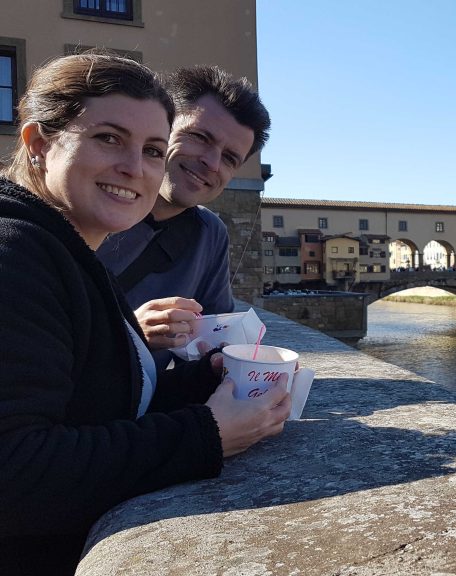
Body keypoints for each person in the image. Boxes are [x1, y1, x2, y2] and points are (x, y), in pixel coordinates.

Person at [0, 53, 289, 575]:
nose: (135, 167)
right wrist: (207, 434)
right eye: (108, 138)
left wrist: (208, 378)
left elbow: (97, 399)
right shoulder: (20, 252)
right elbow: (17, 471)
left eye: (151, 150)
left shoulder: (72, 244)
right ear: (40, 144)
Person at [96, 66, 270, 364]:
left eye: (229, 158)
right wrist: (131, 333)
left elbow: (213, 337)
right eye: (200, 137)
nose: (212, 163)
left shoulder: (209, 233)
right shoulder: (91, 207)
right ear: (160, 128)